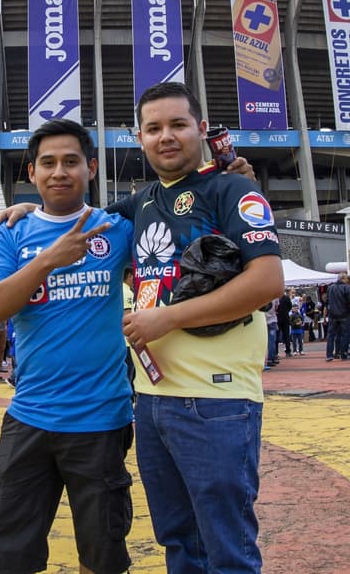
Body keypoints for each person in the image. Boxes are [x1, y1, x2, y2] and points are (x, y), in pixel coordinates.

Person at [113, 82, 284, 574]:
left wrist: (165, 318)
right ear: (139, 138)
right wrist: (23, 212)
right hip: (151, 400)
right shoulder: (140, 201)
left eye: (178, 124)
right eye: (154, 128)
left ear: (202, 130)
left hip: (217, 401)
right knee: (180, 545)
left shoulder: (233, 188)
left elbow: (267, 280)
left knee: (226, 550)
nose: (166, 136)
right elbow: (81, 223)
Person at [0, 118, 134, 574]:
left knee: (102, 553)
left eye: (71, 162)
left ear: (91, 168)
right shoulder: (11, 232)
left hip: (102, 418)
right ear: (32, 174)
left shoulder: (117, 228)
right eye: (48, 163)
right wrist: (49, 259)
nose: (59, 172)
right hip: (29, 417)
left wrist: (235, 177)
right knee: (9, 551)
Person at [326, 273, 350, 361]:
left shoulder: (330, 287)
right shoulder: (347, 288)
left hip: (332, 315)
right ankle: (343, 354)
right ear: (343, 279)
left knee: (331, 335)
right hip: (344, 314)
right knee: (345, 335)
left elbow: (327, 301)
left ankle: (329, 354)